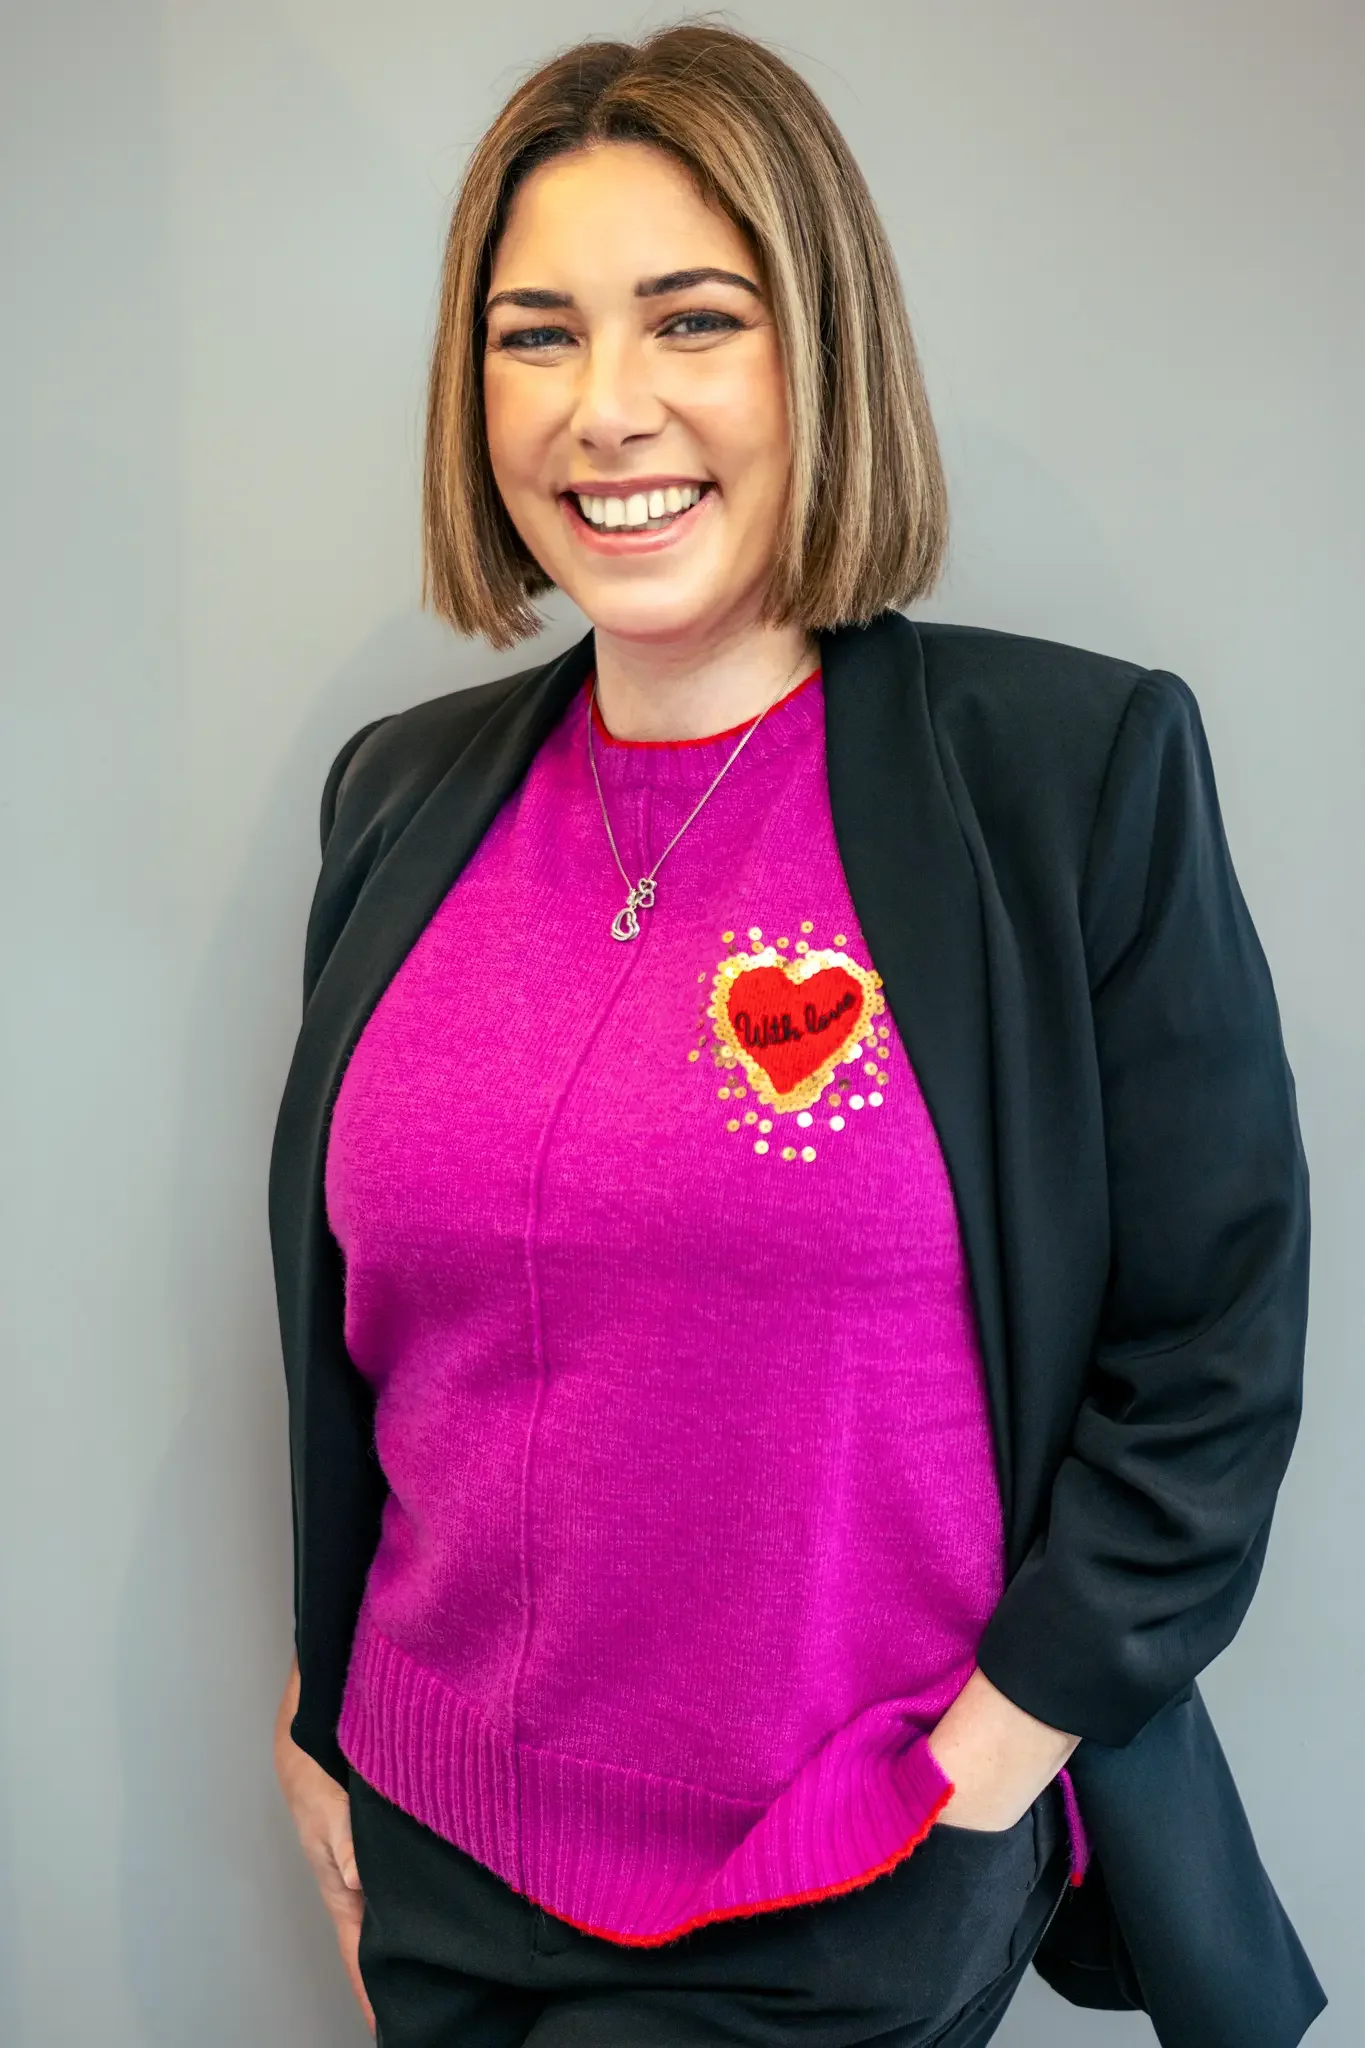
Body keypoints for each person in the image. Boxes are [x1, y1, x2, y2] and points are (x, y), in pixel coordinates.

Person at [268, 22, 1325, 2048]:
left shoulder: (1057, 777)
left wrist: (1003, 1749)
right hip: (434, 1843)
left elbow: (1213, 1330)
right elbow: (368, 1330)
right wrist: (322, 1702)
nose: (607, 410)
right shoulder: (394, 798)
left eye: (691, 320)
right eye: (535, 335)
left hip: (832, 1877)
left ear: (816, 350)